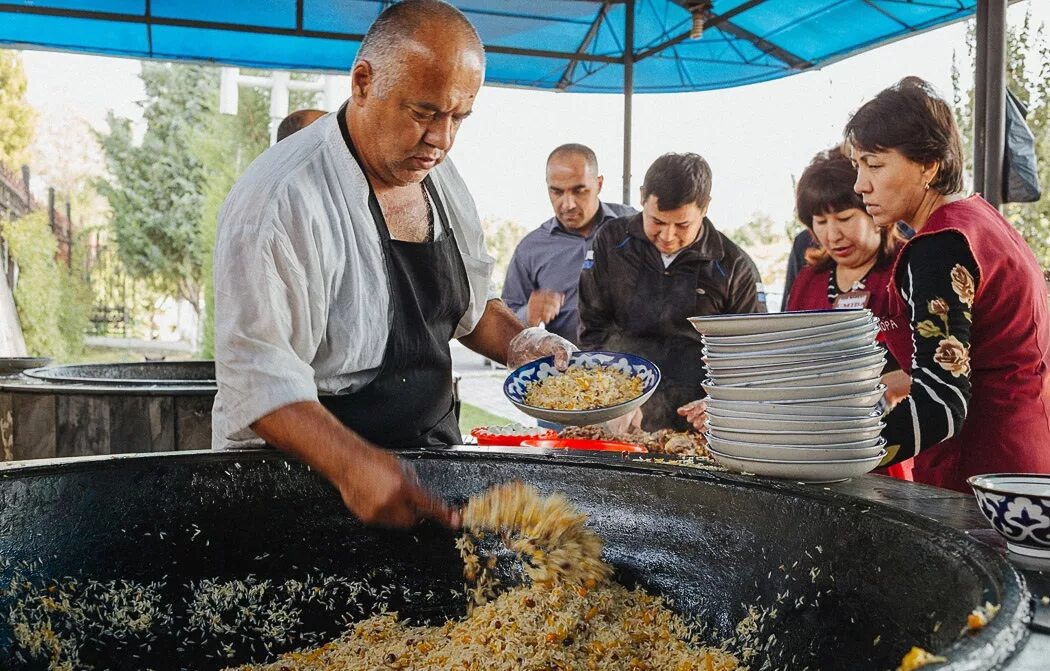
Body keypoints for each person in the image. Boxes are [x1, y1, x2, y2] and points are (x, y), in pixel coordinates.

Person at [211, 0, 575, 528]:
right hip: (301, 490)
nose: (441, 140)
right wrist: (358, 467)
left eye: (458, 118)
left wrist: (525, 344)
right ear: (363, 81)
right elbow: (260, 382)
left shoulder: (439, 178)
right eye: (423, 113)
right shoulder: (280, 200)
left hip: (427, 468)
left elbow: (468, 309)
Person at [843, 76, 1050, 491]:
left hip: (981, 474)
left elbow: (940, 403)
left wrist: (836, 452)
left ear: (929, 165)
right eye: (858, 166)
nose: (860, 185)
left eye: (875, 165)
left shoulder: (939, 247)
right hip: (1025, 457)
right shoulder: (981, 221)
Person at [579, 152, 766, 432]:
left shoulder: (735, 267)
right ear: (642, 197)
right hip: (620, 408)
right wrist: (615, 399)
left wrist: (720, 405)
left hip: (700, 421)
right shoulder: (610, 242)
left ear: (705, 208)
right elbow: (592, 332)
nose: (667, 236)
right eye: (656, 221)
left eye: (682, 225)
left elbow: (754, 358)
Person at [785, 147, 912, 481]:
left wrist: (886, 386)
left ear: (873, 210)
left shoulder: (907, 269)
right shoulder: (808, 281)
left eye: (844, 218)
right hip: (812, 449)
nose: (832, 234)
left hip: (892, 448)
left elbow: (946, 366)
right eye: (821, 222)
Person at [501, 144, 635, 344]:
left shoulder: (634, 225)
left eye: (579, 191)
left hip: (639, 364)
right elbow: (504, 323)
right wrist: (528, 313)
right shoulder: (531, 249)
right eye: (557, 192)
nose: (568, 204)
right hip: (567, 369)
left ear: (599, 184)